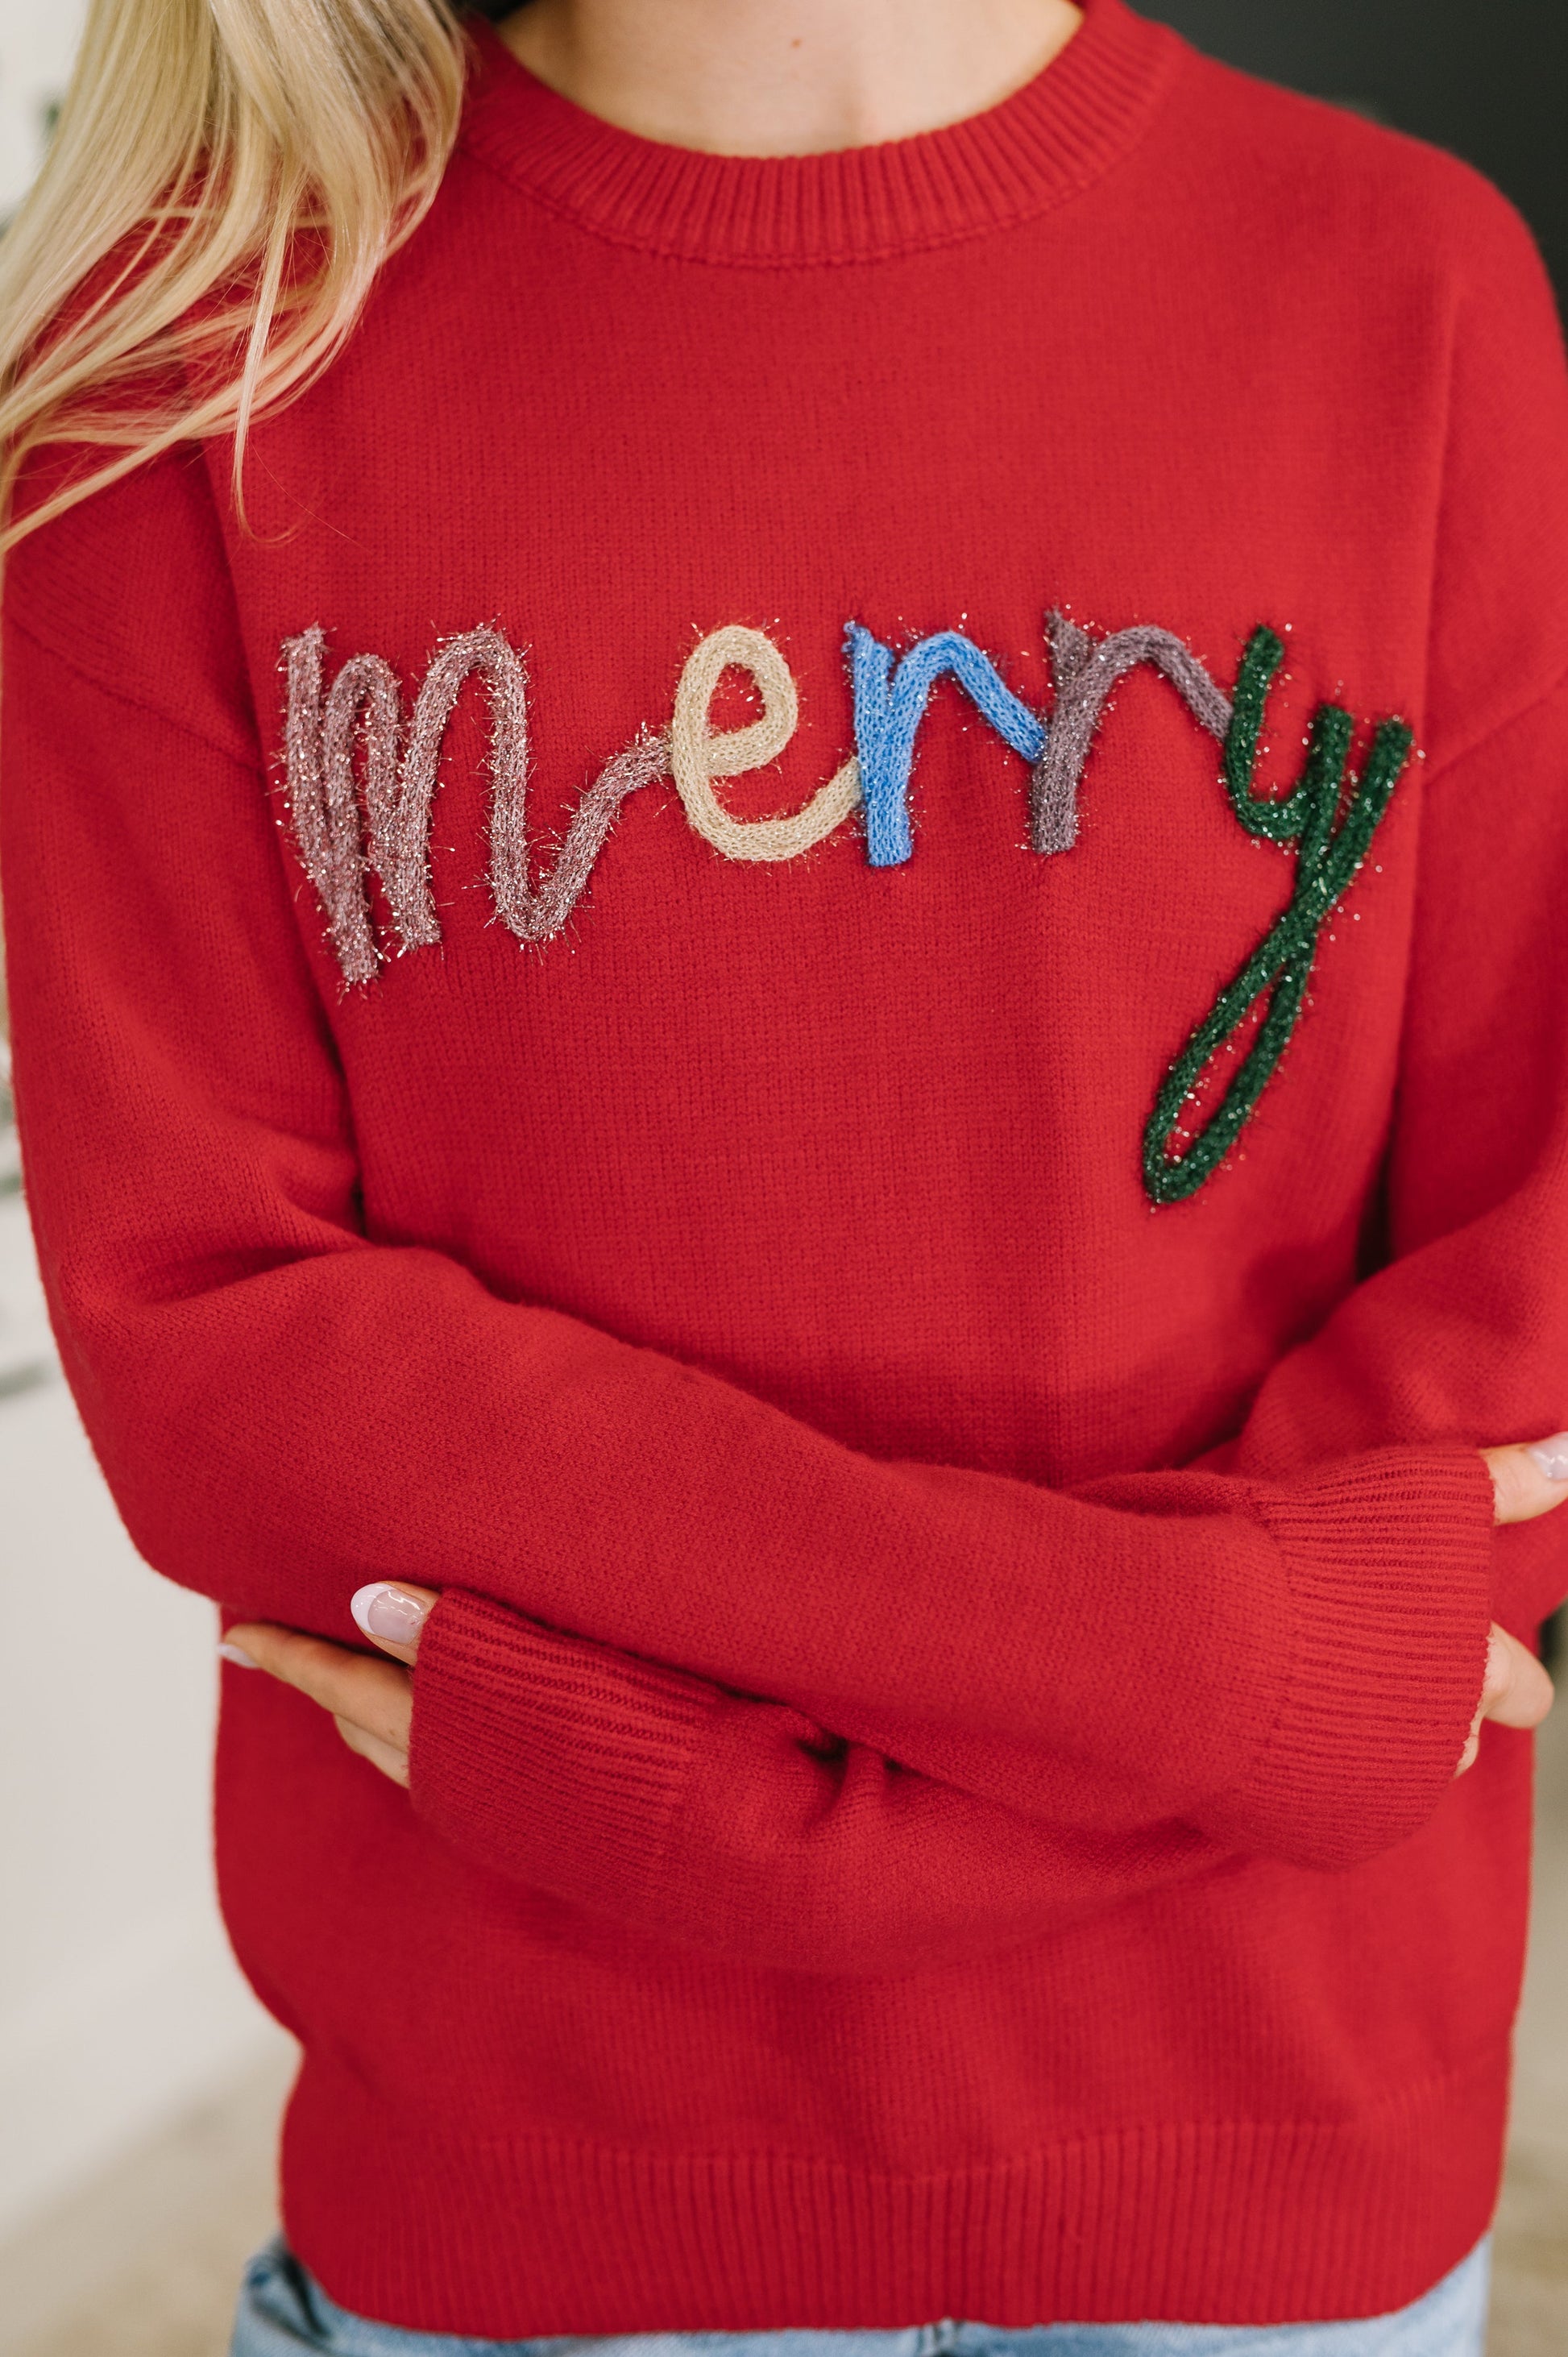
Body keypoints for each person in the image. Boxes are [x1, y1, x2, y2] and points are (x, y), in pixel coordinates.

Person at [2, 0, 1566, 2350]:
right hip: (546, 2187)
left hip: (1282, 2166)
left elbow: (1522, 1310)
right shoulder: (185, 365)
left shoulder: (1405, 288)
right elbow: (220, 1349)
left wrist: (713, 1797)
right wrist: (1232, 1677)